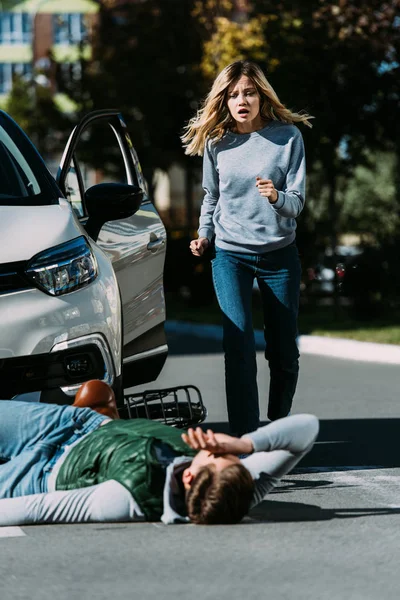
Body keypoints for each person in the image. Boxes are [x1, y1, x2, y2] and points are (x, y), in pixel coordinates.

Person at [182, 60, 313, 436]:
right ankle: (246, 438)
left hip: (279, 255)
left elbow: (297, 203)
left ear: (261, 96)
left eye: (249, 92)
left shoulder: (287, 138)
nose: (242, 100)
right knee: (238, 344)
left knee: (284, 351)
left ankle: (277, 421)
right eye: (233, 94)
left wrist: (276, 197)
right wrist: (204, 234)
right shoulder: (217, 143)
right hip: (230, 254)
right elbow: (211, 195)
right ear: (223, 100)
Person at [0, 381, 319, 526]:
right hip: (79, 424)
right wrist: (243, 445)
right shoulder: (242, 489)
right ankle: (104, 412)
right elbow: (306, 428)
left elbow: (37, 508)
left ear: (191, 475)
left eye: (214, 452)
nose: (214, 443)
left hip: (40, 473)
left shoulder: (128, 500)